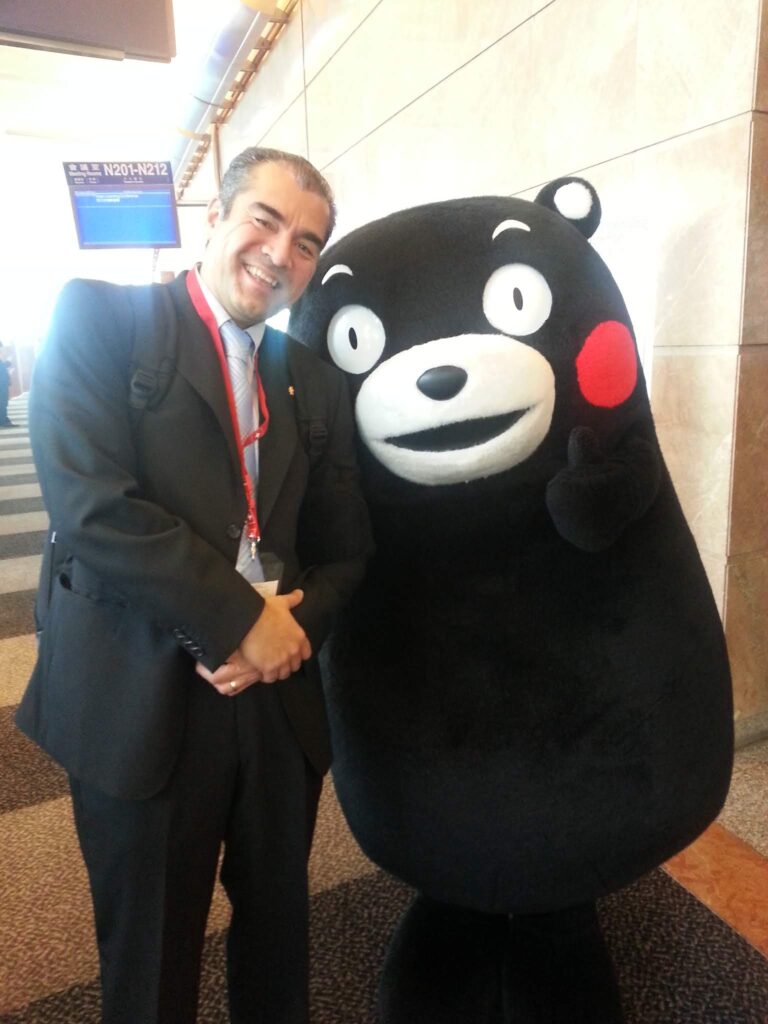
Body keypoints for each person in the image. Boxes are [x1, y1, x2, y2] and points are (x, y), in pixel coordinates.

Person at [16, 147, 372, 1024]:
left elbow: (347, 551)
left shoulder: (311, 382)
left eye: (306, 243)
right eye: (265, 220)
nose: (280, 254)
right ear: (215, 216)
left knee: (279, 935)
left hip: (276, 701)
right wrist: (239, 618)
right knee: (151, 953)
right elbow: (92, 507)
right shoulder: (102, 320)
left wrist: (291, 632)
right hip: (141, 695)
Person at [0, 343, 14, 426]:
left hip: (3, 382)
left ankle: (4, 419)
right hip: (1, 383)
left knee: (3, 401)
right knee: (2, 401)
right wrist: (8, 361)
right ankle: (3, 421)